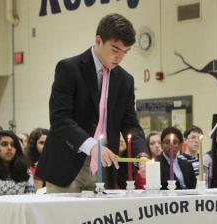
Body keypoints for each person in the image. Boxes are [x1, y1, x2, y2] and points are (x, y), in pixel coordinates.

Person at [36, 13, 147, 193]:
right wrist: (93, 146)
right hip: (68, 165)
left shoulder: (125, 80)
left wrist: (141, 153)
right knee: (66, 221)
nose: (119, 57)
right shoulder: (69, 69)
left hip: (104, 166)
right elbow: (60, 119)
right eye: (115, 49)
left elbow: (130, 124)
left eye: (125, 52)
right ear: (98, 40)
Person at [0, 130, 35, 196]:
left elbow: (31, 199)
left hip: (21, 206)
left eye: (13, 145)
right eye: (4, 144)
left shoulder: (25, 170)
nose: (9, 148)